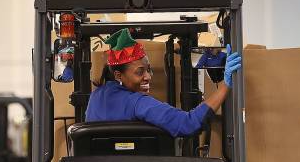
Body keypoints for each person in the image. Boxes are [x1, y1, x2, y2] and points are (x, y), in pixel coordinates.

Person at [86, 28, 241, 137]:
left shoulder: (95, 97)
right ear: (119, 75)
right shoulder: (137, 103)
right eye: (140, 72)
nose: (148, 77)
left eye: (148, 69)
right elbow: (189, 123)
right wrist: (225, 85)